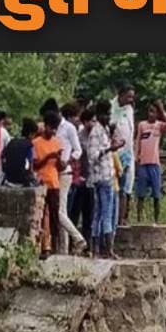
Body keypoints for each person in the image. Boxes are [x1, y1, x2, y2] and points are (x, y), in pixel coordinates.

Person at [85, 99, 122, 259]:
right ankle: (108, 250)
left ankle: (96, 249)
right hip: (101, 177)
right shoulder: (96, 132)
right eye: (106, 114)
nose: (109, 117)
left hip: (107, 175)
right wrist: (109, 149)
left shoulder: (105, 129)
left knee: (99, 213)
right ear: (99, 114)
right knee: (105, 214)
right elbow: (92, 156)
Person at [55, 103, 89, 255]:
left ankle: (78, 238)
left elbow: (78, 150)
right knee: (62, 211)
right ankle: (63, 248)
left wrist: (67, 160)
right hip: (54, 172)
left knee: (59, 211)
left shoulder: (69, 128)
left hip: (64, 172)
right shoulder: (53, 128)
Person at [134, 99, 166, 222]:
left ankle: (156, 220)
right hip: (143, 164)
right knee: (141, 194)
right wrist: (136, 157)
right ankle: (139, 219)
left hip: (155, 164)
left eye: (154, 112)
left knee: (156, 195)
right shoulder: (142, 125)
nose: (151, 114)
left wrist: (163, 111)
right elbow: (138, 141)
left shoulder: (159, 125)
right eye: (150, 111)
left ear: (157, 114)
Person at [33, 110, 65, 257]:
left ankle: (55, 246)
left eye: (55, 129)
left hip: (54, 183)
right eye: (51, 128)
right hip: (41, 183)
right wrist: (48, 157)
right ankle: (42, 246)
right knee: (41, 217)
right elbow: (35, 165)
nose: (53, 131)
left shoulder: (57, 143)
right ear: (45, 126)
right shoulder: (36, 143)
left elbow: (60, 167)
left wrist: (59, 160)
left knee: (54, 216)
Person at [67, 104, 97, 255]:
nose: (94, 123)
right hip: (80, 181)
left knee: (89, 216)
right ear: (85, 122)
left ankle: (87, 247)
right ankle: (72, 245)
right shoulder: (79, 138)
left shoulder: (97, 136)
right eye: (92, 121)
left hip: (92, 181)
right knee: (74, 213)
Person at [111, 81, 137, 224]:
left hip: (128, 153)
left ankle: (122, 219)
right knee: (114, 187)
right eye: (128, 96)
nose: (131, 99)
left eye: (132, 97)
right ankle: (114, 219)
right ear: (120, 95)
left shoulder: (129, 109)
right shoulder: (111, 107)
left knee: (126, 188)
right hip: (114, 153)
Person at [1, 117, 38, 187]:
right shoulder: (29, 146)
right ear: (31, 134)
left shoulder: (12, 142)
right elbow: (30, 168)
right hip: (22, 181)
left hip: (9, 179)